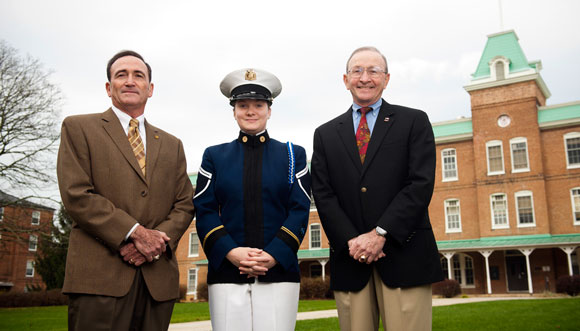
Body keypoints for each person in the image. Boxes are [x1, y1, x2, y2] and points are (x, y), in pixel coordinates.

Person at [57, 50, 195, 331]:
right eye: (121, 75)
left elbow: (185, 203)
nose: (130, 81)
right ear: (109, 88)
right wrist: (136, 233)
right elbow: (77, 194)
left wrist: (154, 245)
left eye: (138, 75)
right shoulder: (78, 127)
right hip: (99, 279)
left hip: (156, 281)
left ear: (150, 88)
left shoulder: (172, 144)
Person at [311, 46, 443, 331]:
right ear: (345, 80)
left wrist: (381, 233)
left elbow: (420, 184)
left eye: (373, 71)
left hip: (404, 254)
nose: (365, 78)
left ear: (387, 78)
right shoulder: (325, 134)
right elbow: (323, 194)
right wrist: (352, 241)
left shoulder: (414, 121)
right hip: (350, 259)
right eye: (357, 70)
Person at [194, 68, 311, 331]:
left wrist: (272, 255)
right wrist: (232, 252)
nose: (250, 111)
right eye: (242, 105)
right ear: (233, 110)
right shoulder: (214, 156)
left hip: (279, 272)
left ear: (269, 110)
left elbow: (300, 209)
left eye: (258, 105)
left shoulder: (293, 155)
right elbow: (205, 210)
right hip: (227, 272)